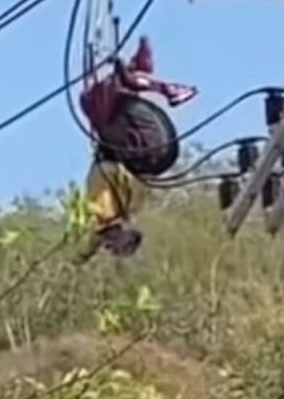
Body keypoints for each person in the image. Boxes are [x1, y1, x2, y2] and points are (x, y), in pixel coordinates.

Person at [76, 36, 196, 262]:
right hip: (148, 153)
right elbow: (103, 227)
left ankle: (137, 71)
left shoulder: (129, 206)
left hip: (156, 155)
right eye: (112, 245)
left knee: (106, 100)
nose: (107, 245)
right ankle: (155, 84)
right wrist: (81, 255)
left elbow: (97, 237)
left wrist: (83, 256)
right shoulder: (109, 211)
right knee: (93, 101)